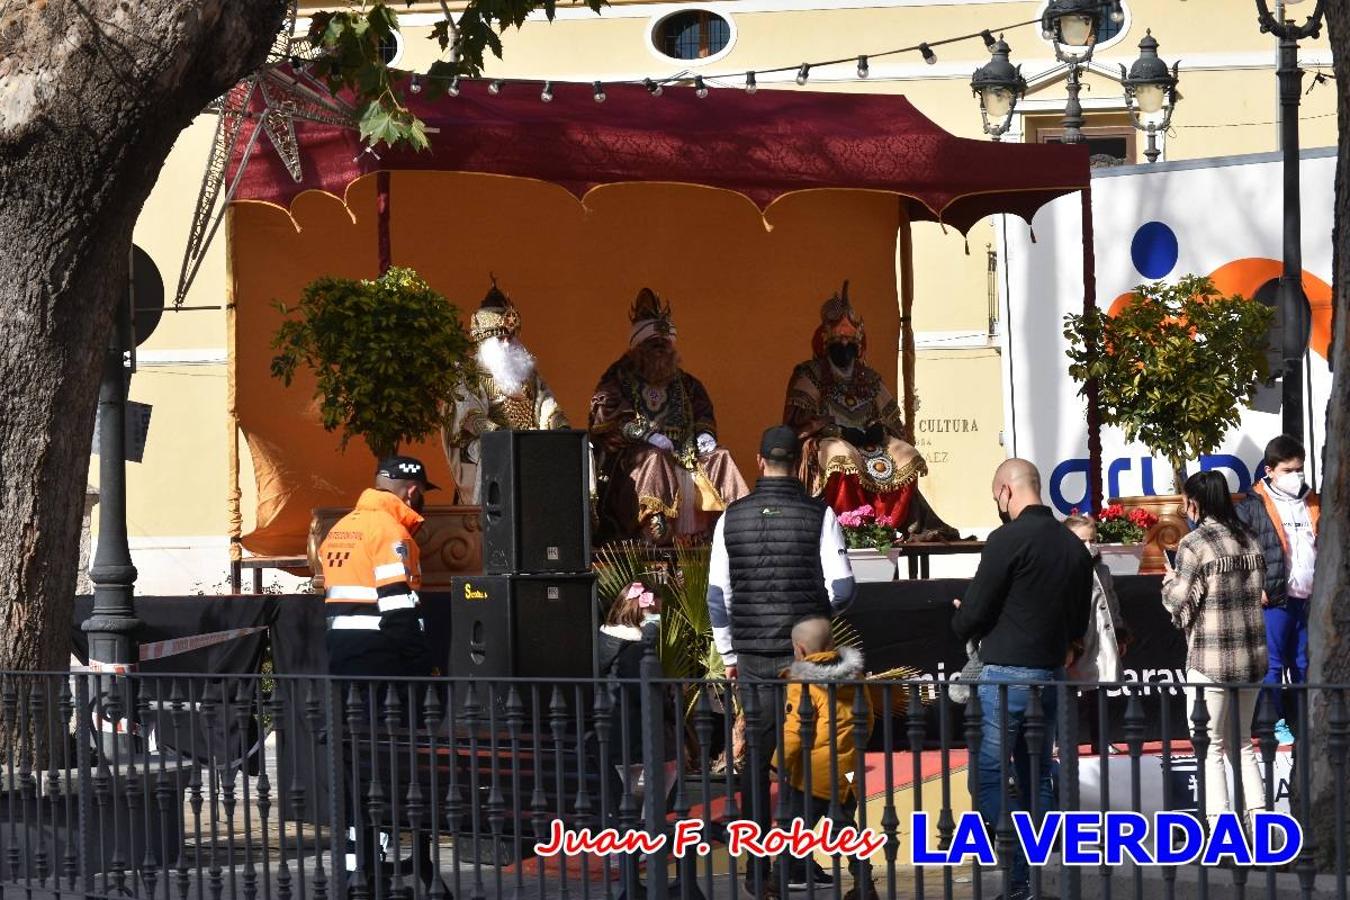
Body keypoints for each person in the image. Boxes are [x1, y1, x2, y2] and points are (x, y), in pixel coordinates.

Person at [706, 425, 855, 900]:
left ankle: (756, 868)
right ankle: (795, 859)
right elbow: (843, 590)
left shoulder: (731, 517)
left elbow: (716, 597)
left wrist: (729, 653)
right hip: (804, 658)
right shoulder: (820, 514)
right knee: (800, 759)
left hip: (751, 658)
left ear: (758, 460)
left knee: (757, 763)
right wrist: (815, 621)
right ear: (801, 461)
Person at [951, 459, 1092, 900]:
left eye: (997, 496)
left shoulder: (1006, 540)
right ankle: (1033, 880)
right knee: (1036, 777)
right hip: (1050, 675)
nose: (998, 503)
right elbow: (1078, 619)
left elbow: (974, 612)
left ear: (1006, 491)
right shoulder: (1073, 546)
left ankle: (1020, 868)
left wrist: (962, 618)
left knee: (988, 778)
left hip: (1005, 675)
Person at [318, 456, 445, 895]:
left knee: (357, 771)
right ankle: (377, 860)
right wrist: (424, 669)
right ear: (411, 491)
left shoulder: (341, 528)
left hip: (344, 668)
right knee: (389, 772)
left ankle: (359, 867)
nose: (423, 501)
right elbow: (398, 612)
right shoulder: (391, 533)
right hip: (384, 670)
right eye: (423, 492)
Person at [784, 280, 958, 540]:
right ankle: (847, 527)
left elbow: (891, 417)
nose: (844, 344)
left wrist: (879, 429)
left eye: (849, 339)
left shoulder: (869, 377)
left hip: (870, 443)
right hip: (830, 440)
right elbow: (799, 419)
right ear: (825, 339)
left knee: (907, 455)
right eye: (839, 338)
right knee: (841, 455)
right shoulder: (810, 373)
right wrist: (835, 429)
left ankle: (894, 526)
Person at [589, 288, 749, 544]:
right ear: (638, 346)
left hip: (686, 453)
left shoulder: (687, 384)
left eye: (665, 345)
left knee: (720, 457)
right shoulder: (618, 378)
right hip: (635, 459)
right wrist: (645, 435)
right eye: (653, 345)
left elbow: (703, 413)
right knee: (654, 458)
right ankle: (654, 526)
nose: (660, 350)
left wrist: (705, 435)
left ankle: (735, 528)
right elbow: (606, 420)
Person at [1163, 470, 1269, 830]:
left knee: (1210, 749)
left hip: (1210, 658)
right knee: (1243, 745)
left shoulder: (1195, 543)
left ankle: (1220, 830)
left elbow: (1180, 603)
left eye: (1185, 500)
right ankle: (1260, 827)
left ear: (1195, 502)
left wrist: (1167, 582)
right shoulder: (1250, 539)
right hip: (1251, 658)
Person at [775, 616, 877, 900]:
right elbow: (867, 718)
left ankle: (774, 880)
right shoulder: (855, 677)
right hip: (849, 769)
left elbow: (795, 728)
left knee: (794, 827)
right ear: (833, 644)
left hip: (814, 771)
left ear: (800, 650)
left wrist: (778, 762)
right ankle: (863, 883)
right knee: (845, 826)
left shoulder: (802, 681)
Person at [441, 278, 569, 504]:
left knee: (565, 449)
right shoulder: (469, 373)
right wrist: (500, 433)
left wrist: (557, 423)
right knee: (496, 452)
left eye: (511, 337)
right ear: (486, 339)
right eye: (501, 338)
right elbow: (469, 415)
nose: (509, 344)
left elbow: (546, 402)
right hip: (490, 443)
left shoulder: (529, 375)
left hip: (530, 441)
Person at [1235, 435, 1320, 745]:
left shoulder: (1312, 500)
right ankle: (1274, 723)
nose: (1296, 475)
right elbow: (1243, 552)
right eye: (1288, 470)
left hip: (1310, 598)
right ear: (1269, 470)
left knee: (1305, 664)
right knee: (1271, 665)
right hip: (1274, 599)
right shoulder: (1252, 506)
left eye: (1300, 468)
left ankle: (1308, 723)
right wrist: (1255, 586)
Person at [1064, 514, 1132, 754]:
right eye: (1082, 541)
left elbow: (1112, 603)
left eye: (1092, 540)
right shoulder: (1064, 570)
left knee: (1100, 693)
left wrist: (1120, 633)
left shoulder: (1102, 569)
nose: (1089, 546)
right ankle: (1063, 741)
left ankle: (1101, 740)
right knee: (1067, 693)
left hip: (1101, 639)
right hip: (1076, 641)